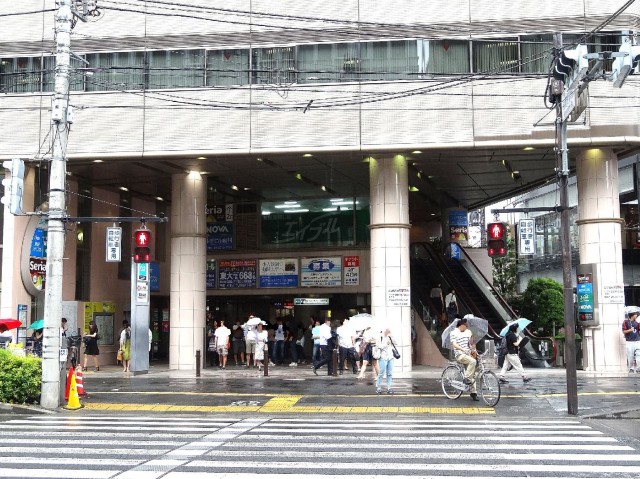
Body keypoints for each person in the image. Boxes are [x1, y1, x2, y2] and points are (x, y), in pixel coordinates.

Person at [449, 317, 479, 401]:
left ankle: (474, 393)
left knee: (472, 374)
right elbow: (454, 344)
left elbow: (472, 343)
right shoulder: (453, 332)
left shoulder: (468, 332)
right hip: (460, 354)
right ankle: (466, 379)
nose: (467, 327)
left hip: (468, 354)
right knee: (473, 363)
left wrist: (474, 350)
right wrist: (462, 349)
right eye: (465, 325)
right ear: (461, 325)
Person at [374, 328, 397, 394]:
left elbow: (396, 342)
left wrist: (391, 336)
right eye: (386, 330)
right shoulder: (380, 337)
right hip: (383, 357)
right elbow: (378, 346)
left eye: (388, 330)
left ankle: (389, 387)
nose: (387, 331)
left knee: (389, 373)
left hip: (390, 357)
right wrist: (385, 344)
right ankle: (378, 387)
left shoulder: (390, 337)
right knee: (381, 372)